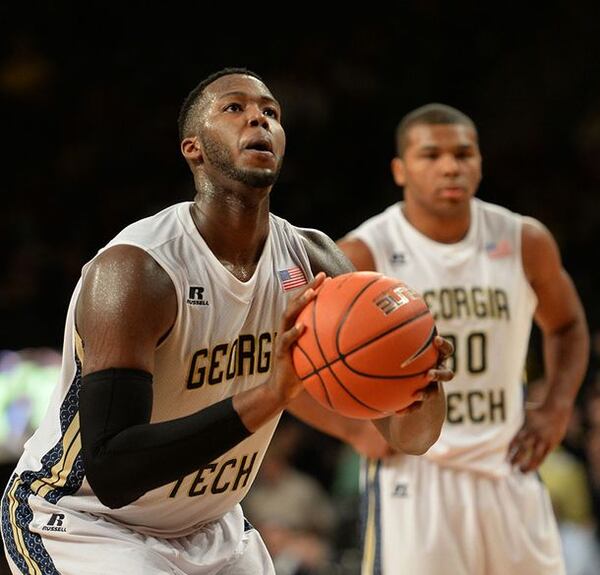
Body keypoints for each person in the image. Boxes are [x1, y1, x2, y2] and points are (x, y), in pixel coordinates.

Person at [0, 69, 452, 575]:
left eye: (271, 112)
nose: (259, 117)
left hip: (212, 528)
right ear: (192, 148)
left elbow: (409, 436)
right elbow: (113, 470)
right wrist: (271, 395)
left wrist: (420, 383)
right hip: (86, 521)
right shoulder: (137, 271)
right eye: (234, 108)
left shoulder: (312, 261)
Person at [336, 103, 590, 575]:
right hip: (416, 474)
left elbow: (569, 325)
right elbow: (297, 357)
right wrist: (352, 429)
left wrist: (557, 407)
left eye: (463, 153)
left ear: (479, 162)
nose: (450, 165)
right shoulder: (364, 250)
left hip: (510, 464)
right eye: (431, 155)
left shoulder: (523, 239)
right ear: (400, 170)